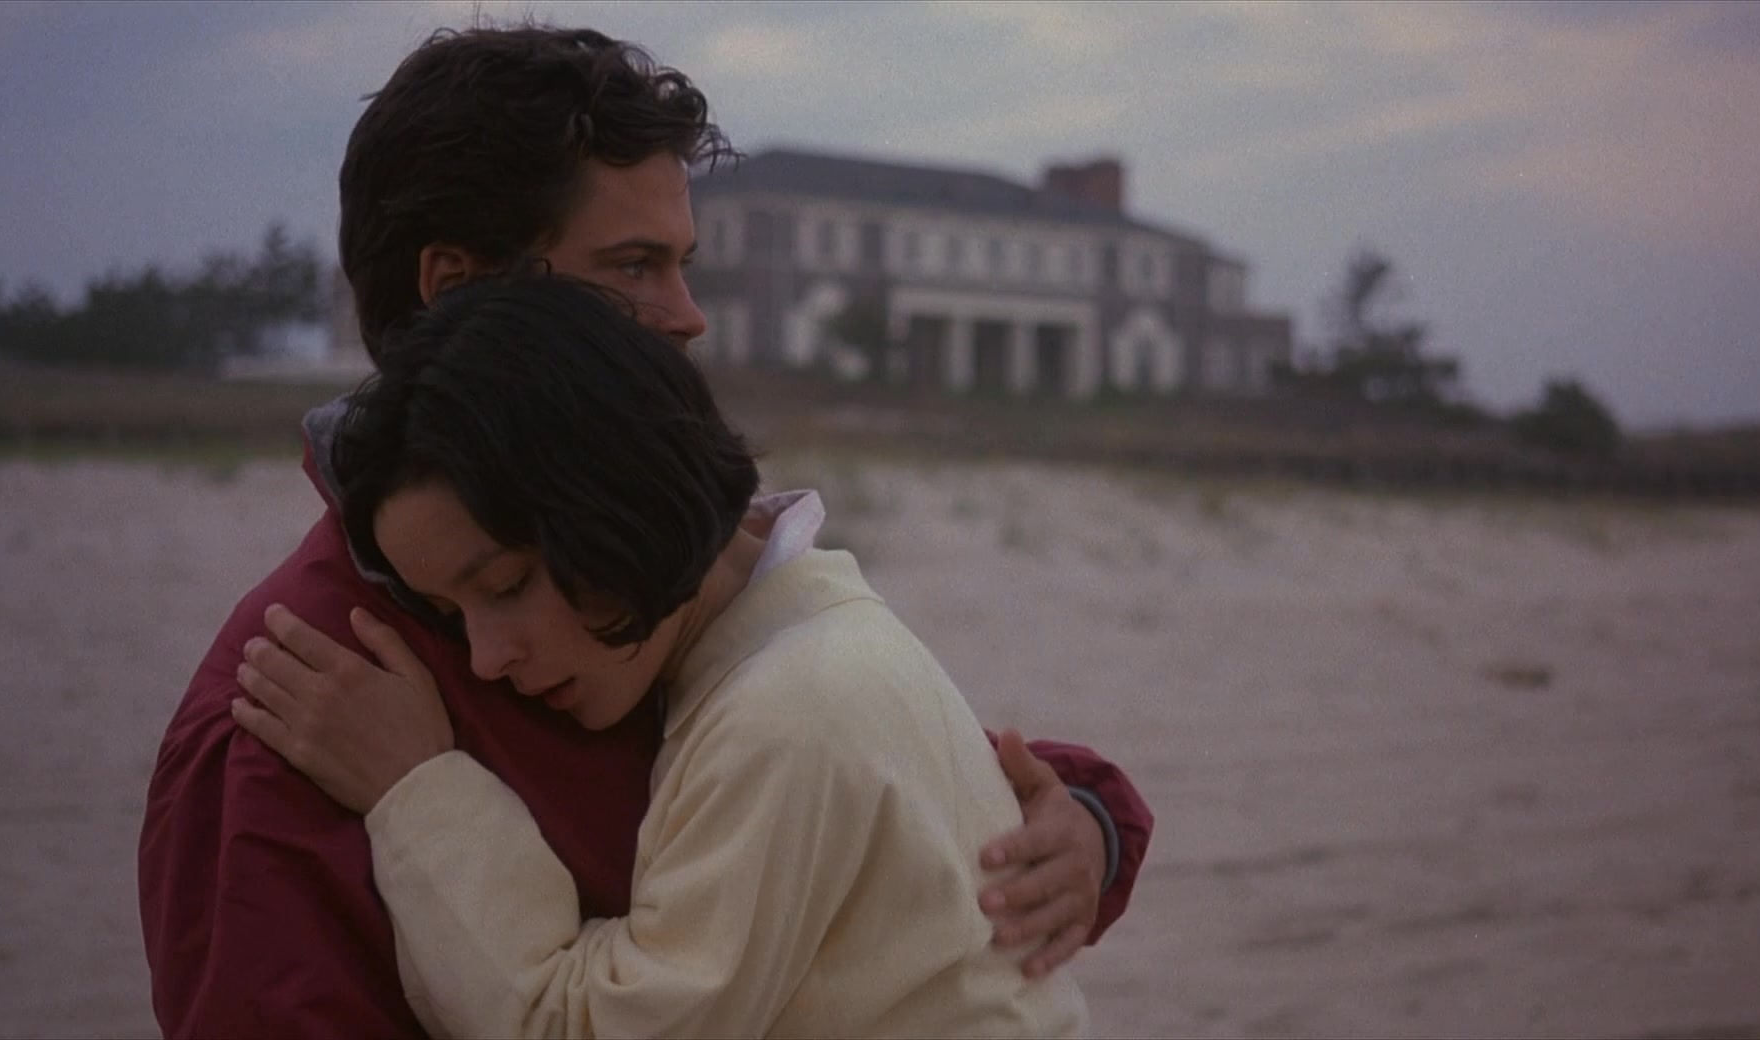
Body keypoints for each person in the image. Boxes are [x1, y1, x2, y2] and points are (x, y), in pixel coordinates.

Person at [138, 23, 1152, 1039]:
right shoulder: (290, 706)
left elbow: (858, 788)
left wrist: (1079, 822)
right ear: (459, 292)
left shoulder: (647, 573)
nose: (688, 315)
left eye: (682, 263)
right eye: (631, 267)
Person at [228, 273, 1091, 1037]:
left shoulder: (788, 715)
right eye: (453, 615)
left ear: (616, 498)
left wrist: (416, 791)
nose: (485, 659)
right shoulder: (831, 638)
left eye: (506, 585)